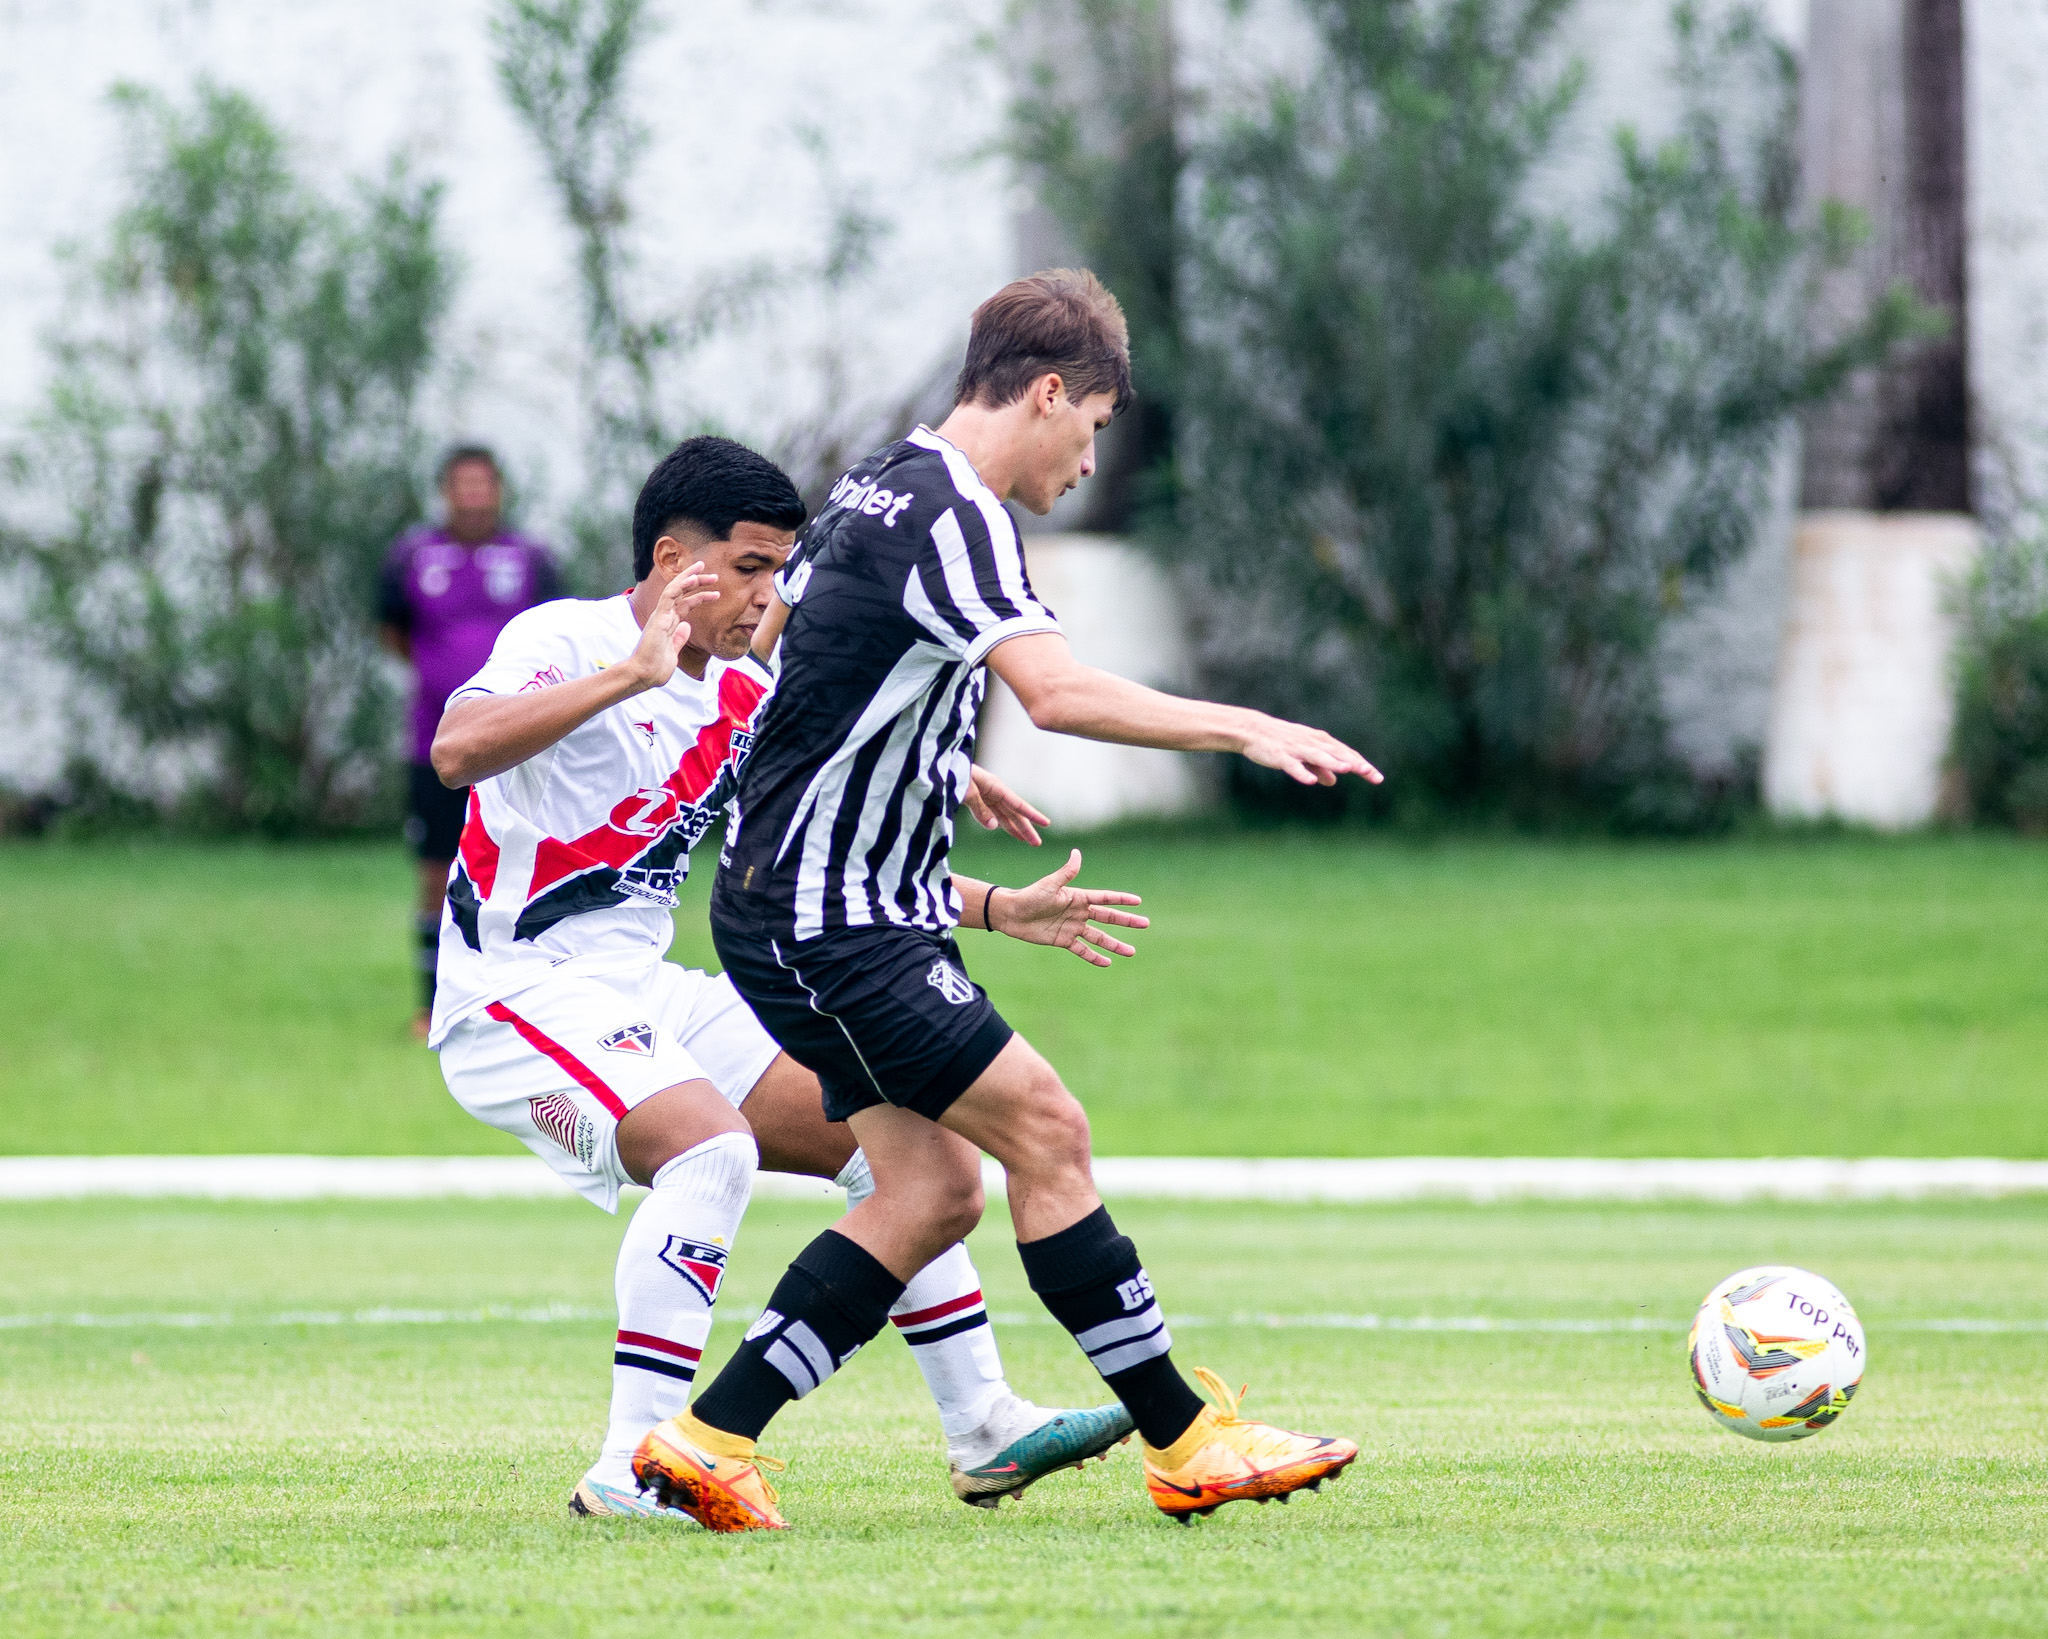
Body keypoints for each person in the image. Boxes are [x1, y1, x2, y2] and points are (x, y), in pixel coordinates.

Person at [634, 270, 1381, 1531]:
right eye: (1090, 426)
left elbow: (802, 671)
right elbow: (1058, 692)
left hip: (805, 907)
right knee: (1048, 1127)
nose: (1089, 460)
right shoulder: (959, 515)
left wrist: (931, 760)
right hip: (832, 922)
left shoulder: (876, 480)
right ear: (1044, 393)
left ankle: (708, 1436)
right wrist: (1245, 726)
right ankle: (1187, 1439)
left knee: (931, 1193)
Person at [426, 435, 1136, 1518]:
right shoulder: (565, 638)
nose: (769, 596)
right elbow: (455, 749)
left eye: (779, 571)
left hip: (636, 983)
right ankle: (633, 1466)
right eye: (749, 569)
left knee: (900, 1148)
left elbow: (829, 862)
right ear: (671, 560)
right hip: (515, 995)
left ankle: (984, 1422)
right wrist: (629, 673)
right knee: (709, 1149)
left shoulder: (749, 700)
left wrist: (999, 907)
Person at [380, 446, 562, 1037]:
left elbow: (559, 636)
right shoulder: (411, 556)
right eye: (463, 484)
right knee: (436, 871)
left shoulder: (532, 558)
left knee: (530, 864)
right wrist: (445, 682)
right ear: (445, 491)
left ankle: (527, 1000)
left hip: (516, 746)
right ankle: (430, 1005)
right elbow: (391, 630)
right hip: (434, 741)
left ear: (500, 489)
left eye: (484, 483)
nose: (474, 495)